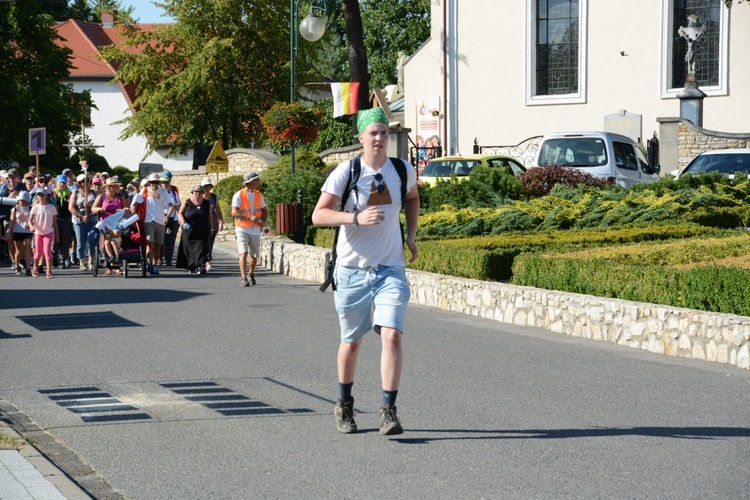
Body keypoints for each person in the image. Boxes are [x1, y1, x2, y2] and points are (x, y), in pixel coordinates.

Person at [311, 107, 420, 436]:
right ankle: (344, 403)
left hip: (391, 269)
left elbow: (413, 198)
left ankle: (388, 411)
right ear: (361, 138)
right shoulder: (348, 171)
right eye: (373, 133)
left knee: (392, 334)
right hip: (352, 271)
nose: (379, 138)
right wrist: (355, 218)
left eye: (384, 133)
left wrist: (412, 236)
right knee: (353, 342)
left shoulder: (402, 170)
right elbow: (319, 215)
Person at [129, 172, 175, 275]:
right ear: (149, 183)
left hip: (161, 221)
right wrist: (133, 209)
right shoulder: (144, 191)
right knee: (149, 243)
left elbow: (171, 205)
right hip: (148, 220)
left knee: (158, 245)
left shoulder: (163, 192)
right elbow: (136, 203)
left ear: (158, 183)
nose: (154, 184)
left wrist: (167, 216)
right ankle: (149, 264)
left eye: (156, 182)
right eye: (152, 182)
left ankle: (154, 265)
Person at [231, 171, 267, 287]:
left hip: (255, 229)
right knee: (243, 252)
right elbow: (234, 212)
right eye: (256, 179)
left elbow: (264, 210)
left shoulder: (258, 194)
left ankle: (251, 273)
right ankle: (243, 277)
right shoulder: (238, 195)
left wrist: (264, 221)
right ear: (250, 182)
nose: (258, 181)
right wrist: (249, 217)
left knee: (255, 255)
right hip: (242, 228)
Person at [92, 176, 128, 274]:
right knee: (106, 240)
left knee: (114, 239)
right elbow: (93, 208)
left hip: (117, 223)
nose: (117, 188)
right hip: (105, 223)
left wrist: (125, 209)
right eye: (115, 186)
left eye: (117, 186)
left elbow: (126, 208)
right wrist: (99, 209)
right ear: (109, 187)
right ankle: (109, 266)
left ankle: (117, 265)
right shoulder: (101, 196)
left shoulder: (120, 197)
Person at [176, 184, 214, 274]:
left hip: (202, 231)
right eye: (195, 192)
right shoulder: (187, 202)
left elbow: (210, 217)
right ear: (192, 193)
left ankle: (200, 266)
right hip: (189, 231)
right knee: (189, 250)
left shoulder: (206, 203)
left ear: (202, 193)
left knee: (202, 249)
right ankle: (192, 266)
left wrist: (211, 228)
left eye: (200, 192)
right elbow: (180, 213)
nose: (197, 194)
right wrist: (183, 221)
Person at [70, 174, 98, 271]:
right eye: (82, 181)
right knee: (81, 242)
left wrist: (90, 205)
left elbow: (99, 205)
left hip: (92, 220)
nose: (84, 183)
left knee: (91, 239)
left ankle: (91, 260)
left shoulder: (94, 193)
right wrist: (81, 216)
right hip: (79, 220)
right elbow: (71, 207)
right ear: (79, 183)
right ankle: (82, 262)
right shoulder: (75, 193)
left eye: (86, 181)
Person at [29, 188, 59, 278]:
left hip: (48, 232)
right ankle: (35, 267)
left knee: (47, 251)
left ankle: (49, 271)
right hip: (38, 232)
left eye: (42, 195)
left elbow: (54, 222)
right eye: (39, 195)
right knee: (38, 253)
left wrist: (57, 234)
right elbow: (30, 220)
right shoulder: (35, 208)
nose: (40, 197)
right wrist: (31, 226)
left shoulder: (51, 207)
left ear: (46, 196)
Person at [6, 191, 33, 276]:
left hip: (27, 231)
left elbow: (33, 219)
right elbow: (11, 221)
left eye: (23, 200)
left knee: (28, 246)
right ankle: (17, 265)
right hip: (18, 230)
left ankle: (28, 268)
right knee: (19, 250)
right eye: (20, 199)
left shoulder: (31, 208)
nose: (21, 201)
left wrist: (30, 224)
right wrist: (9, 231)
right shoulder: (15, 209)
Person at [201, 176, 224, 271]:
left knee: (210, 242)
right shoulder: (200, 197)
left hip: (213, 222)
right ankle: (206, 262)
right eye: (205, 186)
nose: (207, 188)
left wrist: (221, 221)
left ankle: (207, 260)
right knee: (204, 242)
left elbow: (218, 210)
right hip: (203, 222)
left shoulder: (213, 197)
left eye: (208, 186)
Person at [51, 174, 73, 268]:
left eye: (64, 182)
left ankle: (63, 259)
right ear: (57, 183)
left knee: (65, 240)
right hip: (55, 218)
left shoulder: (69, 193)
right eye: (60, 182)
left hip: (66, 218)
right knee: (56, 238)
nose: (62, 184)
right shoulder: (53, 193)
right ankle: (54, 256)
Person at [160, 171, 180, 266]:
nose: (165, 184)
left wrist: (180, 217)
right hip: (161, 217)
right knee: (160, 239)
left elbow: (177, 205)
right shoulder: (159, 193)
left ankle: (168, 260)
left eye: (167, 182)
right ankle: (159, 257)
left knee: (170, 240)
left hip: (173, 218)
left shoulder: (174, 193)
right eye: (163, 182)